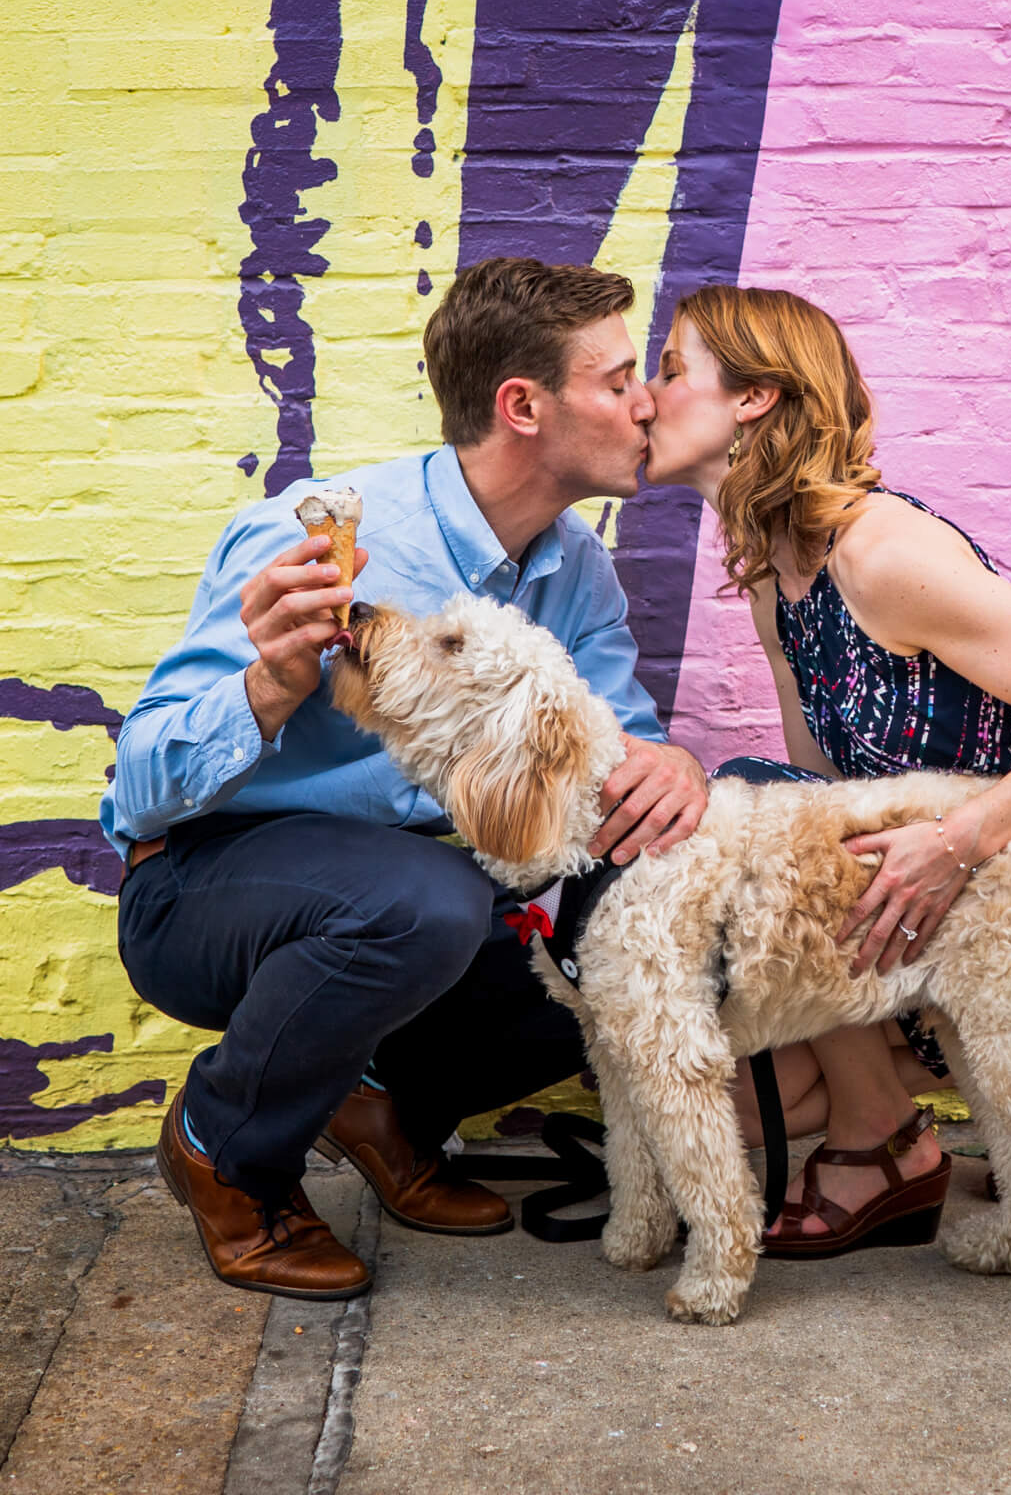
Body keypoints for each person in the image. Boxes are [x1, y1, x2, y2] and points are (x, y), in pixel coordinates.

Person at [103, 258, 707, 1299]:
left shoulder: (578, 572)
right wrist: (272, 683)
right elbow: (139, 791)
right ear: (524, 405)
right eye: (616, 379)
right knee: (428, 898)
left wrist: (682, 767)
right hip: (203, 891)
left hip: (405, 899)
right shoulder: (318, 538)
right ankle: (224, 1150)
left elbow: (621, 768)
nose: (644, 399)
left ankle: (380, 1099)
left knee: (656, 900)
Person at [643, 284, 1011, 1257]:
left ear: (753, 397)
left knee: (760, 802)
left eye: (673, 369)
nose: (648, 393)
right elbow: (821, 797)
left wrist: (959, 842)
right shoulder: (779, 573)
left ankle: (881, 1134)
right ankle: (887, 1105)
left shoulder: (881, 555)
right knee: (763, 814)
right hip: (929, 896)